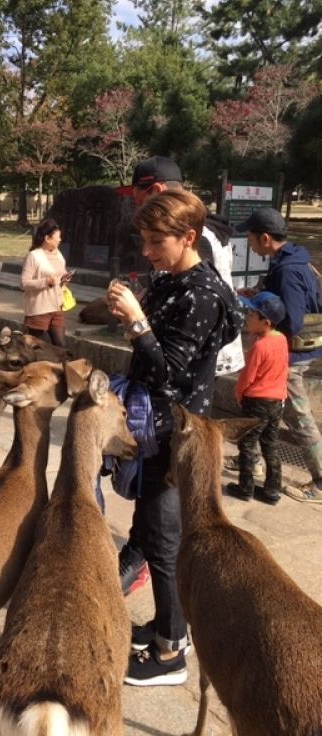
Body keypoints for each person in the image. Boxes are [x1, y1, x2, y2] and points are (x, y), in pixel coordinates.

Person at [107, 189, 243, 686]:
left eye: (155, 241)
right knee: (149, 530)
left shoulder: (201, 295)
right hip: (156, 424)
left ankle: (170, 656)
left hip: (173, 433)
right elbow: (150, 353)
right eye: (143, 240)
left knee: (164, 544)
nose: (147, 252)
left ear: (189, 237)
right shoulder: (171, 282)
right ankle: (171, 627)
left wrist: (139, 324)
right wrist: (133, 320)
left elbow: (171, 375)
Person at [235, 207, 322, 503]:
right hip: (286, 352)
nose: (248, 243)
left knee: (298, 417)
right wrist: (257, 296)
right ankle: (253, 462)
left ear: (265, 238)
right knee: (263, 413)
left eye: (250, 237)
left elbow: (293, 319)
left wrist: (265, 318)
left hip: (291, 356)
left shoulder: (287, 270)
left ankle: (321, 478)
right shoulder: (290, 259)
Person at [227, 292, 288, 505]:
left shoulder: (260, 346)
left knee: (247, 444)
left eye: (252, 315)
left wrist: (239, 393)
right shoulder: (281, 340)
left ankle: (245, 487)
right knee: (270, 444)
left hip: (256, 401)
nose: (247, 317)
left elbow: (247, 376)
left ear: (266, 322)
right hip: (277, 401)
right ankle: (272, 491)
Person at [20, 218, 74, 348]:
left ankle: (62, 368)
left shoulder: (58, 254)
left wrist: (65, 279)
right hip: (40, 309)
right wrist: (46, 281)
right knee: (34, 347)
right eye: (57, 237)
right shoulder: (34, 256)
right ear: (47, 238)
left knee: (61, 345)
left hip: (57, 307)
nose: (60, 240)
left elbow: (60, 274)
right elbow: (24, 283)